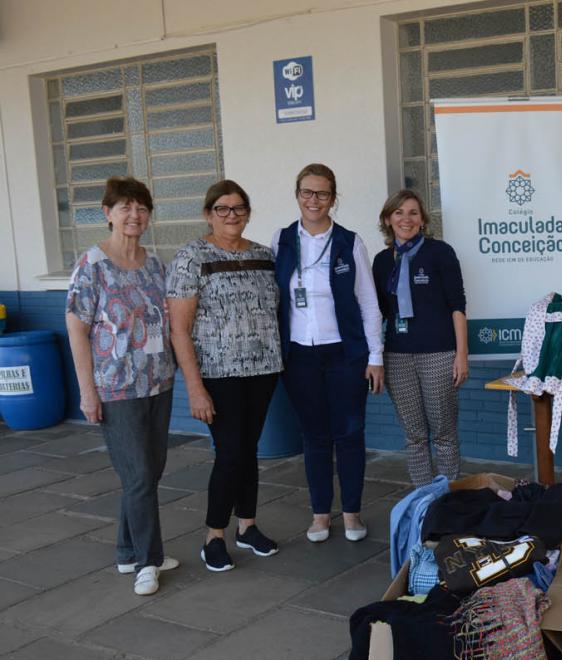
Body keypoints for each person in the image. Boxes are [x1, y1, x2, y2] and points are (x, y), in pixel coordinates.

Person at [64, 176, 177, 596]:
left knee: (148, 473)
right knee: (140, 476)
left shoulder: (154, 263)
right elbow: (76, 329)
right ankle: (148, 561)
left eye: (141, 208)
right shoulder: (92, 264)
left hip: (158, 382)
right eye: (125, 207)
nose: (134, 215)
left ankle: (128, 550)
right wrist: (87, 390)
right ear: (107, 213)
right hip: (116, 388)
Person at [167, 179, 283, 572]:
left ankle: (247, 527)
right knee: (230, 453)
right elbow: (179, 329)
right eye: (222, 209)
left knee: (248, 451)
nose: (231, 215)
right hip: (218, 374)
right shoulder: (191, 257)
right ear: (208, 213)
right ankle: (213, 535)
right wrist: (195, 388)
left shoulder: (266, 256)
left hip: (264, 369)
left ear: (248, 212)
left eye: (238, 208)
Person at [272, 164, 384, 543]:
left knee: (350, 434)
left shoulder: (350, 242)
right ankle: (321, 514)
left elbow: (369, 303)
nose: (314, 200)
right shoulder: (282, 240)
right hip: (300, 355)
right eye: (307, 192)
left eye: (322, 194)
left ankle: (351, 513)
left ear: (333, 199)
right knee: (314, 436)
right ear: (297, 194)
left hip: (345, 354)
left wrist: (375, 357)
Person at [371, 190, 468, 485]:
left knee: (443, 432)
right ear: (388, 219)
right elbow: (377, 313)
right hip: (398, 356)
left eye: (413, 212)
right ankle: (424, 500)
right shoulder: (381, 261)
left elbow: (457, 305)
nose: (406, 219)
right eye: (398, 212)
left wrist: (461, 354)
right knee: (414, 435)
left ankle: (446, 498)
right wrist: (374, 357)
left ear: (423, 219)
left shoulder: (440, 252)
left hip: (439, 354)